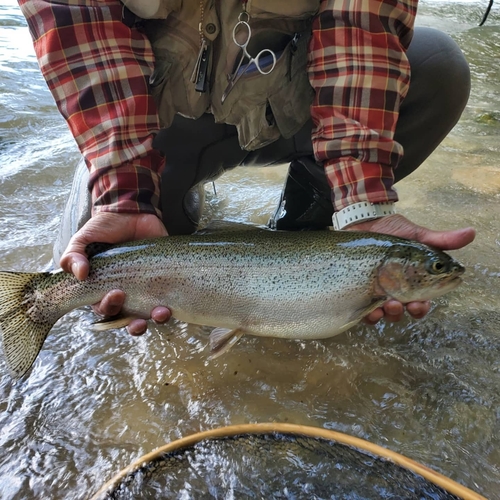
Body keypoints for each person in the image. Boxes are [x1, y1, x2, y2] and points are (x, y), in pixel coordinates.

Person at [18, 0, 475, 336]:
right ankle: (45, 296)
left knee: (437, 64)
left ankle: (306, 225)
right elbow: (81, 43)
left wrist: (363, 204)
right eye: (431, 270)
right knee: (86, 274)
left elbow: (362, 35)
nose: (439, 274)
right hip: (156, 124)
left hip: (292, 110)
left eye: (430, 270)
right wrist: (122, 193)